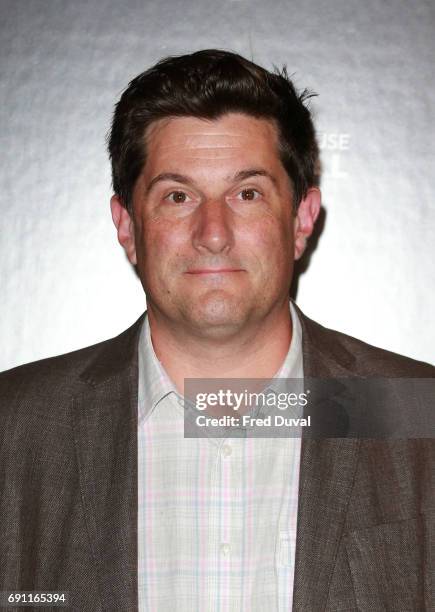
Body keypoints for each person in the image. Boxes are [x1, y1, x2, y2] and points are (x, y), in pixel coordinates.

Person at [0, 49, 433, 612]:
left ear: (301, 219)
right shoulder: (15, 429)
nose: (213, 233)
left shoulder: (419, 420)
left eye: (246, 193)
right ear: (127, 226)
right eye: (177, 196)